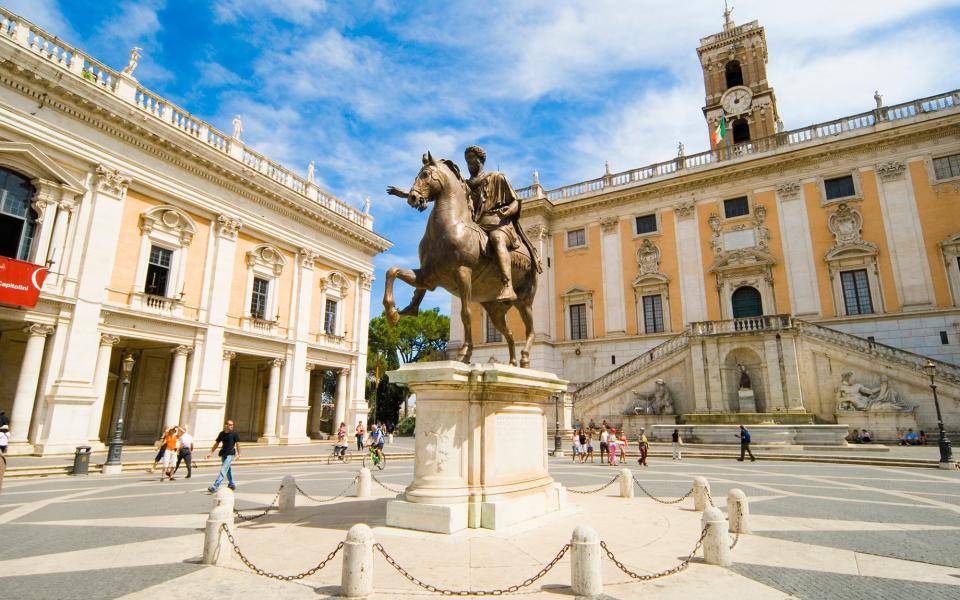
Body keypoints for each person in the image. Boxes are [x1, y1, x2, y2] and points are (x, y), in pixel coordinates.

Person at [207, 420, 241, 492]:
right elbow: (216, 443)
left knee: (224, 469)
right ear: (226, 425)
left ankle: (215, 486)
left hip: (231, 453)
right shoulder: (222, 434)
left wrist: (238, 454)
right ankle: (231, 483)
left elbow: (238, 444)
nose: (231, 426)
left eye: (232, 425)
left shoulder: (235, 434)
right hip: (223, 453)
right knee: (227, 469)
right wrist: (211, 452)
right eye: (230, 425)